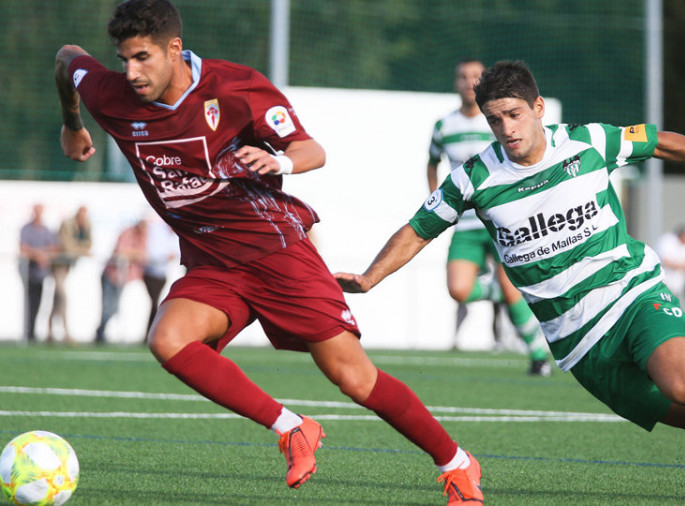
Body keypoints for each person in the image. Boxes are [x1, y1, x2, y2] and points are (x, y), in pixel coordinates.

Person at [336, 60, 685, 504]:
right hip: (579, 346)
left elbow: (655, 140)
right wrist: (369, 277)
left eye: (513, 115)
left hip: (632, 296)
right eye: (494, 120)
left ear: (537, 108)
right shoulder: (474, 178)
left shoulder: (586, 141)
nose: (505, 129)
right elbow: (418, 228)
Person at [54, 1, 481, 503]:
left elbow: (312, 151)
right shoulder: (113, 93)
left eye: (142, 58)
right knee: (168, 340)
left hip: (276, 252)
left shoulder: (235, 87)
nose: (131, 72)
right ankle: (292, 427)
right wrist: (73, 123)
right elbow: (67, 58)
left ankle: (456, 463)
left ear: (174, 48)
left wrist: (278, 159)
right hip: (212, 261)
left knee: (353, 377)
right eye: (123, 58)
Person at [428, 59, 550, 375]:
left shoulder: (497, 119)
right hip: (466, 223)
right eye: (462, 76)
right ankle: (501, 290)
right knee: (458, 289)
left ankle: (538, 356)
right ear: (456, 83)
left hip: (501, 219)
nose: (468, 81)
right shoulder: (444, 126)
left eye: (474, 76)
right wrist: (436, 201)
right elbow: (431, 163)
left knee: (511, 289)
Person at [95, 219, 148, 344]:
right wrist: (135, 254)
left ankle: (101, 332)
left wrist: (133, 255)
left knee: (115, 306)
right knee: (108, 306)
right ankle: (100, 333)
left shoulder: (144, 236)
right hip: (111, 274)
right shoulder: (127, 233)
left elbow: (144, 255)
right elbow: (121, 252)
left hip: (124, 277)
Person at [48, 205, 92, 344]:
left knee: (57, 298)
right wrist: (81, 250)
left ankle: (49, 331)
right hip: (58, 264)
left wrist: (79, 249)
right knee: (62, 296)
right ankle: (65, 331)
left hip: (68, 265)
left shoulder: (86, 225)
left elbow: (89, 244)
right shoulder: (67, 224)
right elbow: (67, 246)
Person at [19, 204, 57, 343]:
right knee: (30, 302)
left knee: (39, 302)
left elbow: (54, 248)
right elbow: (23, 247)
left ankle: (34, 332)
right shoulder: (26, 229)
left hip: (41, 273)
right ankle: (28, 333)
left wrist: (44, 255)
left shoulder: (46, 230)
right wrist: (38, 255)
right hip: (29, 271)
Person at [142, 215, 179, 341]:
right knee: (154, 303)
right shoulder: (158, 231)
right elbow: (153, 253)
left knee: (156, 303)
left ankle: (149, 334)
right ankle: (149, 334)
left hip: (162, 274)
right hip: (150, 271)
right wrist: (166, 256)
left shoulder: (173, 236)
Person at [655, 224, 685, 305]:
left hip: (677, 284)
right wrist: (680, 265)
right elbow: (665, 260)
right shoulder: (667, 240)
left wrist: (679, 265)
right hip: (663, 282)